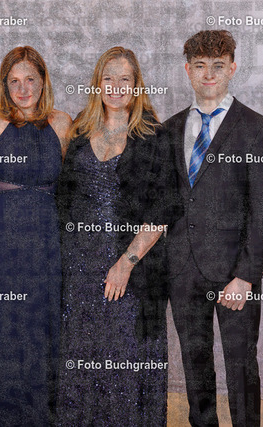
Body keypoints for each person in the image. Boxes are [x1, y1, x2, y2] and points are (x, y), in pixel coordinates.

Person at [56, 47, 181, 426]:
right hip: (79, 270)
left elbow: (162, 210)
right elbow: (63, 200)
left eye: (125, 79)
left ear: (136, 85)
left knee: (125, 359)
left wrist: (126, 263)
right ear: (97, 84)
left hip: (133, 268)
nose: (116, 86)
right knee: (82, 356)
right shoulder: (79, 131)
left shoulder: (155, 136)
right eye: (108, 78)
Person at [163, 30, 263, 426]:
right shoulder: (170, 129)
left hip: (234, 273)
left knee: (241, 366)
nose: (208, 74)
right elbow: (166, 201)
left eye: (217, 66)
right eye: (200, 66)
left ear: (232, 68)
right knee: (195, 366)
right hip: (183, 270)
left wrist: (246, 276)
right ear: (187, 70)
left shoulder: (256, 128)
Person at [0, 46, 71, 426]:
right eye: (14, 81)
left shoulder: (63, 123)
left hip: (46, 242)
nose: (23, 89)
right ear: (4, 85)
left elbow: (75, 192)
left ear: (43, 81)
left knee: (39, 329)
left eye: (30, 79)